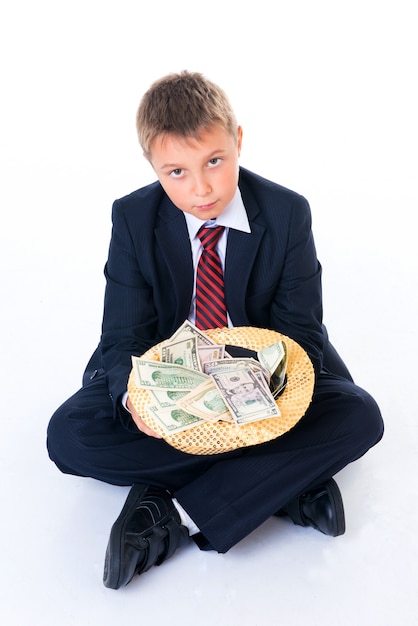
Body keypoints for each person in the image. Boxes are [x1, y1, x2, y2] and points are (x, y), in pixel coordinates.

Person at [47, 71, 384, 590]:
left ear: (238, 141)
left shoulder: (286, 212)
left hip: (272, 386)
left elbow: (299, 334)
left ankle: (172, 511)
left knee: (359, 416)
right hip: (174, 389)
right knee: (68, 434)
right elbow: (122, 337)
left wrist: (255, 408)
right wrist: (139, 401)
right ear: (154, 168)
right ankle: (285, 483)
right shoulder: (134, 218)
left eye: (214, 162)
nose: (200, 187)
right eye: (176, 171)